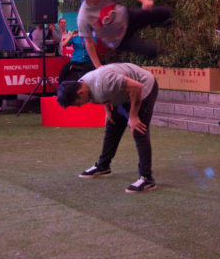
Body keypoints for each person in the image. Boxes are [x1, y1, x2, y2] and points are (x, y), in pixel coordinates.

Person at [57, 62, 158, 193]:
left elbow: (136, 87)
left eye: (77, 104)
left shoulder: (104, 82)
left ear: (80, 93)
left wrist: (133, 116)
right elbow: (101, 96)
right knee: (112, 124)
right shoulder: (82, 84)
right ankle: (103, 166)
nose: (79, 106)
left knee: (139, 130)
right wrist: (108, 111)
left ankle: (147, 178)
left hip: (143, 86)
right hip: (123, 94)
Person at [76, 0, 171, 69]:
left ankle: (152, 24)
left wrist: (145, 0)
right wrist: (98, 66)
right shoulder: (83, 17)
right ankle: (150, 27)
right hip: (120, 40)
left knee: (166, 12)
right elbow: (89, 44)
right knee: (151, 51)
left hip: (128, 18)